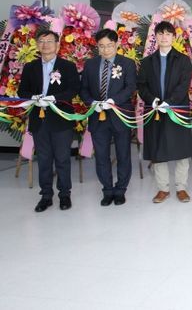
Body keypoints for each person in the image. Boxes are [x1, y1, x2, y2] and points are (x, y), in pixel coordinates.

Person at [18, 30, 80, 212]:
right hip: (39, 120)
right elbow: (22, 91)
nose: (45, 45)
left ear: (57, 45)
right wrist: (34, 97)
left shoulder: (67, 66)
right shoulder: (30, 67)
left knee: (62, 159)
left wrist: (54, 98)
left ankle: (64, 194)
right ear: (37, 45)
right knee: (44, 159)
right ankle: (46, 195)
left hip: (61, 119)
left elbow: (73, 89)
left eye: (49, 41)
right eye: (42, 41)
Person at [137, 21, 192, 203]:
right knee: (158, 150)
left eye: (168, 34)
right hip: (154, 111)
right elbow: (142, 85)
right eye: (161, 34)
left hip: (176, 111)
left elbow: (183, 85)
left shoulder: (183, 60)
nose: (164, 37)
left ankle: (181, 188)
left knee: (182, 151)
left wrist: (169, 103)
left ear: (173, 37)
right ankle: (163, 189)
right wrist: (153, 100)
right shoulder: (147, 62)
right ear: (155, 36)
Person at [80, 28, 137, 206]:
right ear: (97, 46)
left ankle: (120, 189)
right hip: (98, 117)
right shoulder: (90, 64)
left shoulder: (127, 63)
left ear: (117, 44)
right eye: (101, 46)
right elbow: (83, 89)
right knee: (101, 156)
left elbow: (130, 87)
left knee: (123, 154)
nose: (105, 50)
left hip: (120, 115)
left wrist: (113, 101)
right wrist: (92, 102)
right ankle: (107, 189)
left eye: (109, 46)